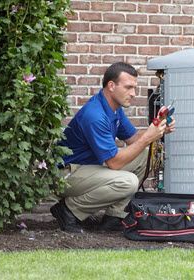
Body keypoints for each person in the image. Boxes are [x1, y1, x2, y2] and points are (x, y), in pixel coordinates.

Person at [51, 62, 175, 233]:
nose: (133, 94)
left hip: (88, 168)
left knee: (147, 155)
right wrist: (147, 137)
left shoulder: (114, 109)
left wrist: (159, 129)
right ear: (111, 86)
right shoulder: (95, 115)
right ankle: (69, 210)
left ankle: (114, 217)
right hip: (66, 174)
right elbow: (114, 163)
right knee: (128, 182)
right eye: (128, 88)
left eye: (134, 88)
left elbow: (133, 140)